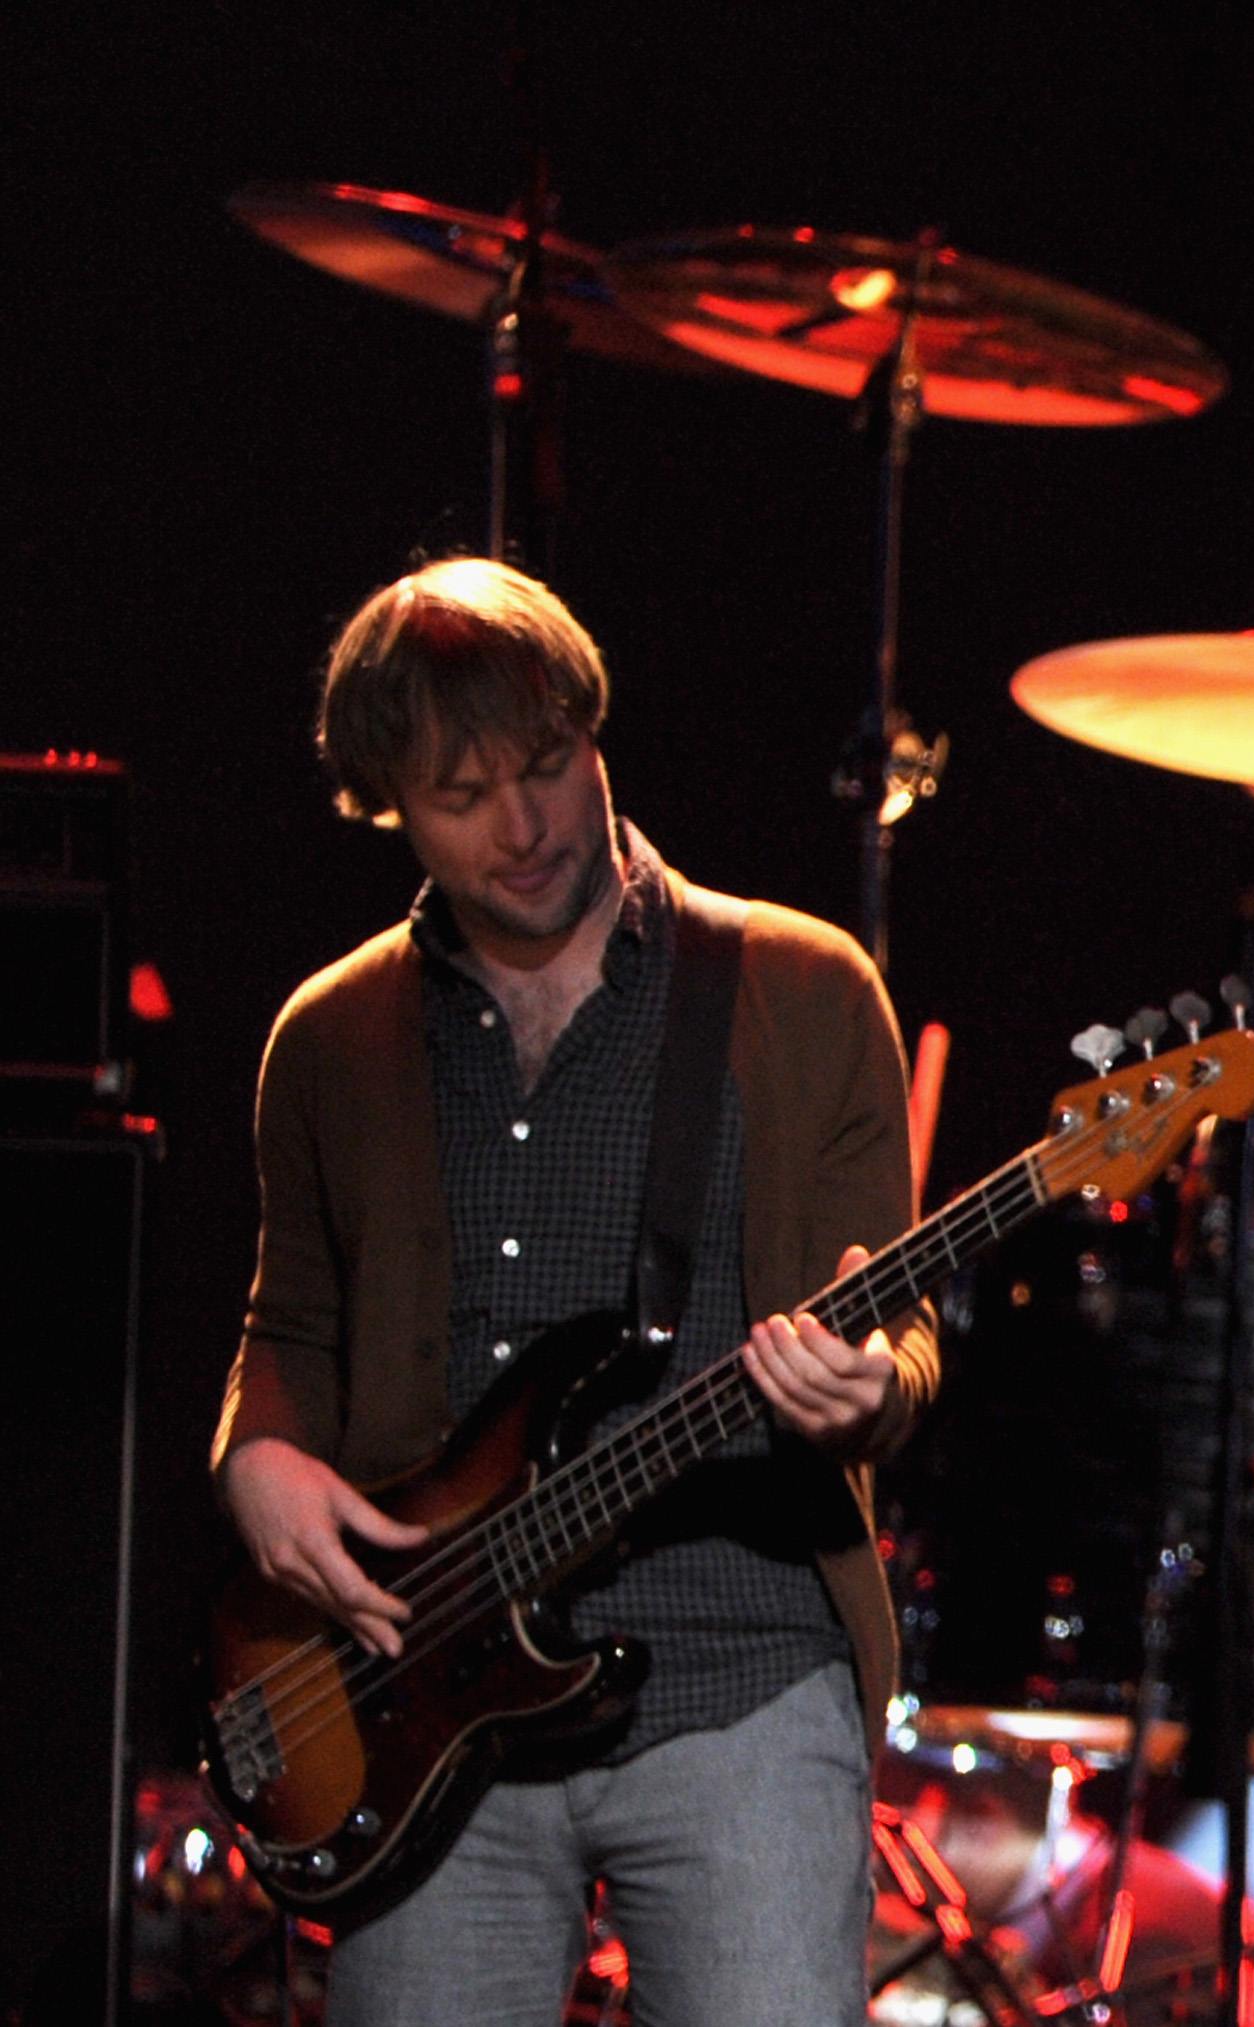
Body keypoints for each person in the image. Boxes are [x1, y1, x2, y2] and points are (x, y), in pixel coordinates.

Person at [213, 558, 938, 2024]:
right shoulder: (330, 1038)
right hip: (415, 1700)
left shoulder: (804, 987)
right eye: (464, 793)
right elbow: (283, 1327)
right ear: (388, 807)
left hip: (741, 1663)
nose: (529, 823)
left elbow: (900, 1324)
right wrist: (259, 1460)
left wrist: (881, 1388)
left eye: (550, 764)